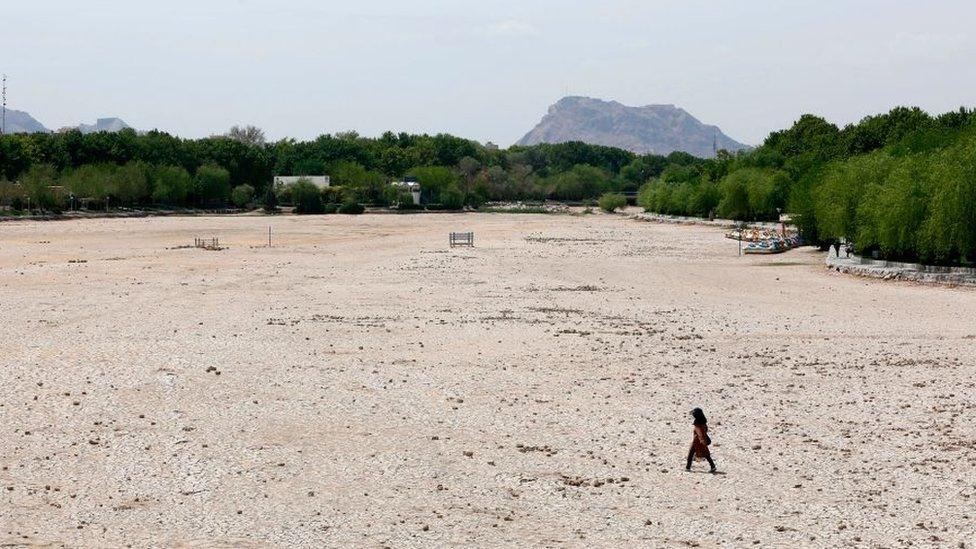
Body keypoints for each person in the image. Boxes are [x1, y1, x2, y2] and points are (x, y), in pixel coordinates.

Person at [686, 408, 716, 473]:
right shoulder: (703, 422)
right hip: (701, 441)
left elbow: (699, 433)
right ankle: (712, 466)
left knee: (691, 454)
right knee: (706, 454)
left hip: (697, 441)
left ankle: (688, 468)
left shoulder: (697, 424)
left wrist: (702, 440)